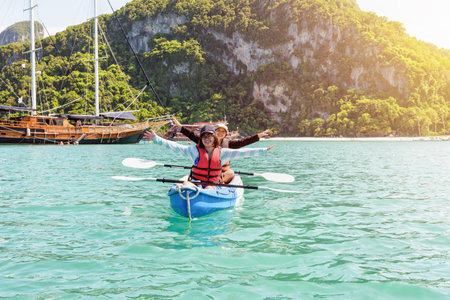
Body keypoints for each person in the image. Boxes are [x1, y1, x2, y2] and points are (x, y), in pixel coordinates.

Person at [143, 126, 274, 189]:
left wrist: (262, 150)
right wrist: (156, 139)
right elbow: (175, 146)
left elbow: (243, 152)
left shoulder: (223, 152)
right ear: (201, 138)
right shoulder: (193, 151)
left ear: (214, 138)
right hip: (196, 182)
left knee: (210, 188)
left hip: (212, 184)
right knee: (186, 185)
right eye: (204, 136)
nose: (207, 139)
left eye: (209, 136)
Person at [170, 116, 271, 183]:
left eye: (223, 132)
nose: (220, 133)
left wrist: (258, 136)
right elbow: (191, 135)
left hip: (220, 174)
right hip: (203, 174)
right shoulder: (204, 141)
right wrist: (180, 126)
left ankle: (219, 183)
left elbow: (243, 143)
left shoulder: (228, 144)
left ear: (225, 134)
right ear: (214, 132)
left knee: (231, 173)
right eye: (218, 131)